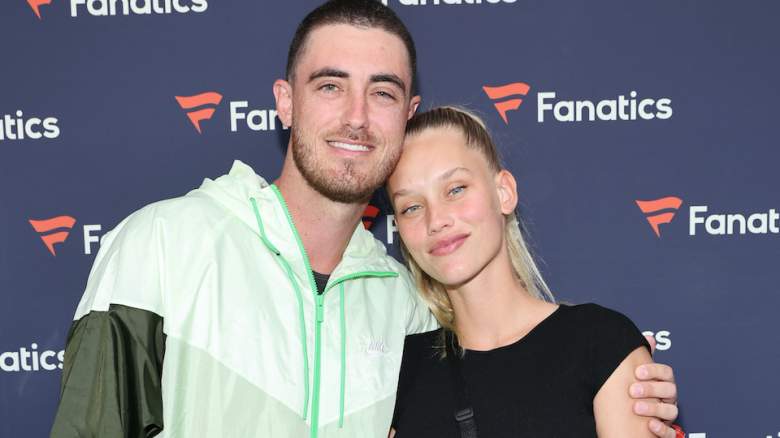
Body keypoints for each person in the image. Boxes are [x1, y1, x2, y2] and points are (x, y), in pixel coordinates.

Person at [50, 1, 679, 437]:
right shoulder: (162, 245)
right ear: (285, 102)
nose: (356, 116)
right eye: (329, 86)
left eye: (381, 92)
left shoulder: (405, 306)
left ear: (407, 112)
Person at [387, 106, 679, 437]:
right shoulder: (401, 370)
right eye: (411, 207)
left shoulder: (600, 344)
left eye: (456, 189)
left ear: (504, 193)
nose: (436, 219)